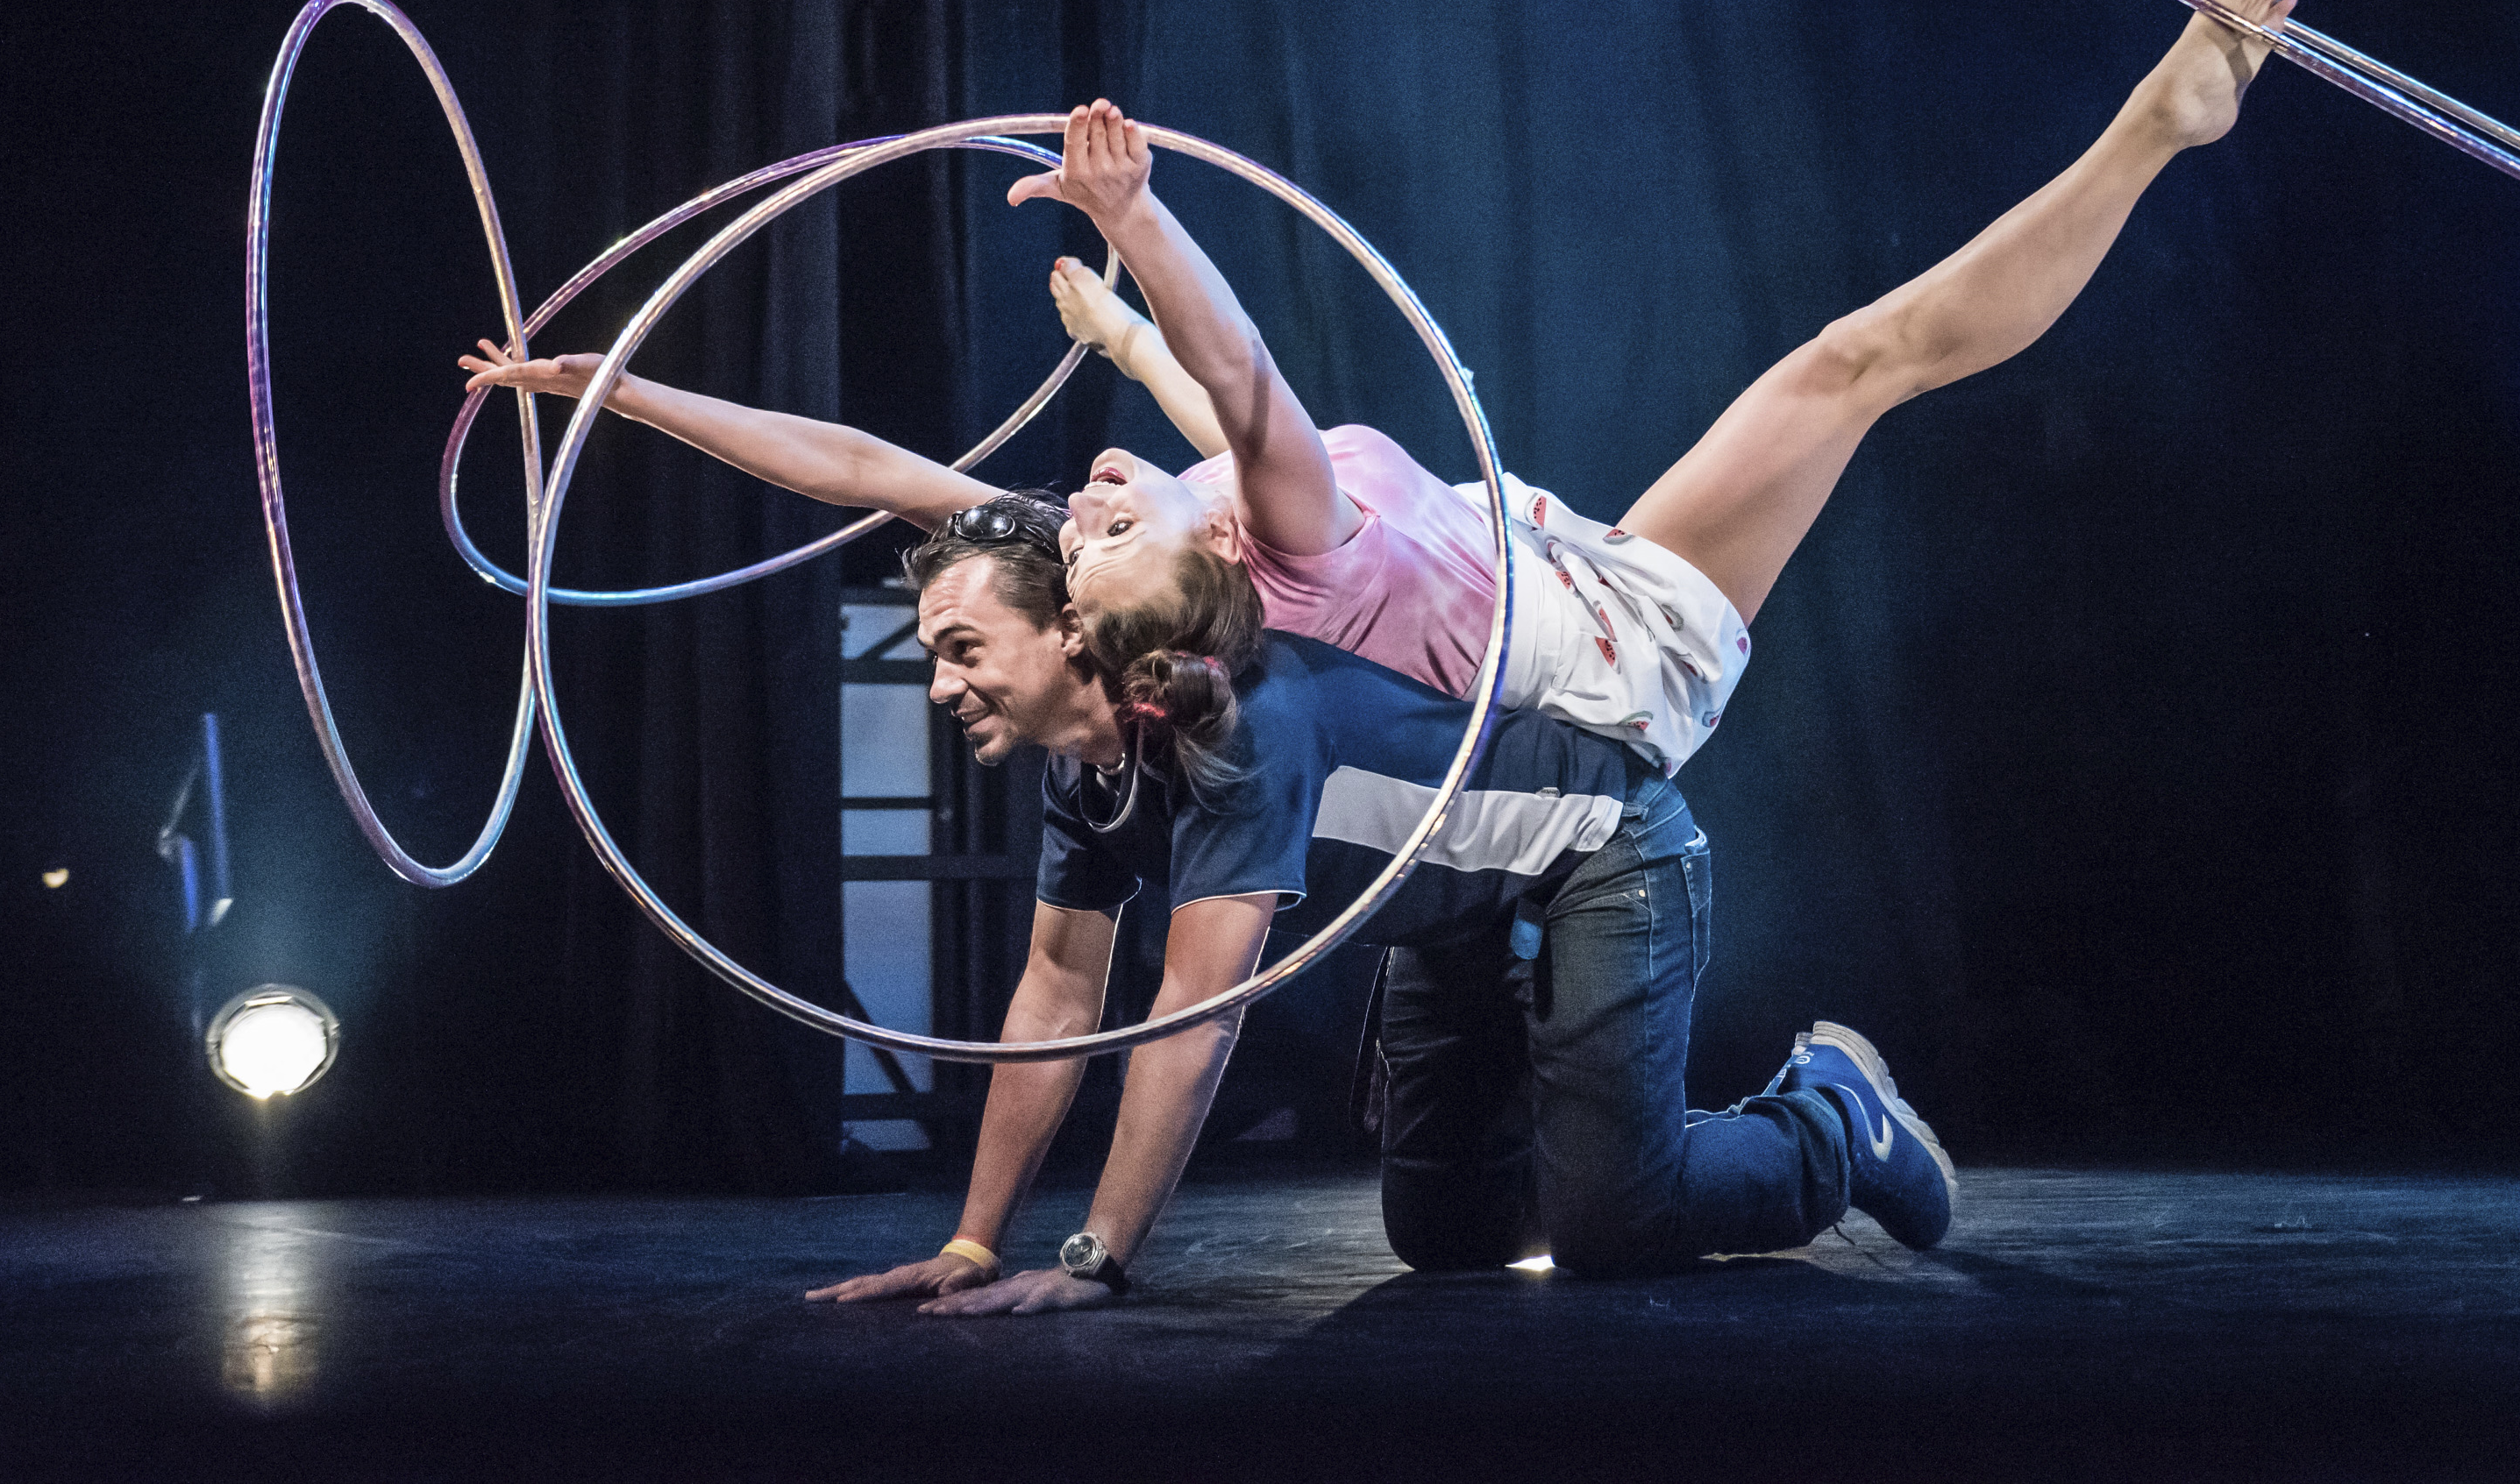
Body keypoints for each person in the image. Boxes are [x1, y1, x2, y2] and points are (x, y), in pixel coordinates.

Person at [1010, 0, 2296, 778]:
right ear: (1215, 554)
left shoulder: (1241, 527)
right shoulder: (1296, 547)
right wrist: (1136, 215)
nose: (1080, 509)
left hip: (1587, 591)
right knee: (1866, 362)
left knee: (1860, 363)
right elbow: (1241, 385)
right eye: (1108, 537)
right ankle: (2159, 125)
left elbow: (1211, 430)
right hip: (1623, 662)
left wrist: (1123, 334)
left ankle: (2164, 122)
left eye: (1073, 537)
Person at [789, 502, 1952, 1310]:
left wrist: (1095, 1261)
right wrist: (973, 1242)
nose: (940, 683)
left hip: (1604, 857)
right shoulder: (1080, 776)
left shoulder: (1230, 728)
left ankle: (1832, 1118)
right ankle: (1610, 1142)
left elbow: (1197, 1010)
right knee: (1442, 1237)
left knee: (1611, 1231)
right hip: (1449, 920)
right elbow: (1054, 998)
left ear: (1070, 632)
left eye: (960, 646)